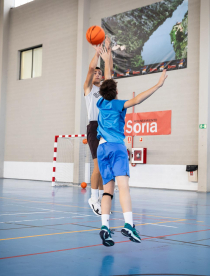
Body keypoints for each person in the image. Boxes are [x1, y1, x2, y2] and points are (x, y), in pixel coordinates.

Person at [96, 68, 168, 247]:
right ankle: (129, 224)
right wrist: (158, 85)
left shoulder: (100, 103)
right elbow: (137, 99)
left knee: (107, 191)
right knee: (124, 188)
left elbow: (107, 85)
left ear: (103, 93)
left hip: (101, 149)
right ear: (116, 92)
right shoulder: (118, 104)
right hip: (116, 148)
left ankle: (104, 226)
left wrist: (107, 58)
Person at [83, 37, 113, 216]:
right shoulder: (88, 89)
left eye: (99, 73)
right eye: (96, 72)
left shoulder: (104, 91)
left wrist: (108, 53)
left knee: (104, 166)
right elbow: (89, 69)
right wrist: (97, 54)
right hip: (94, 128)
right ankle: (93, 198)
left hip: (105, 128)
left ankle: (102, 198)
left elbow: (109, 72)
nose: (98, 74)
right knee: (98, 166)